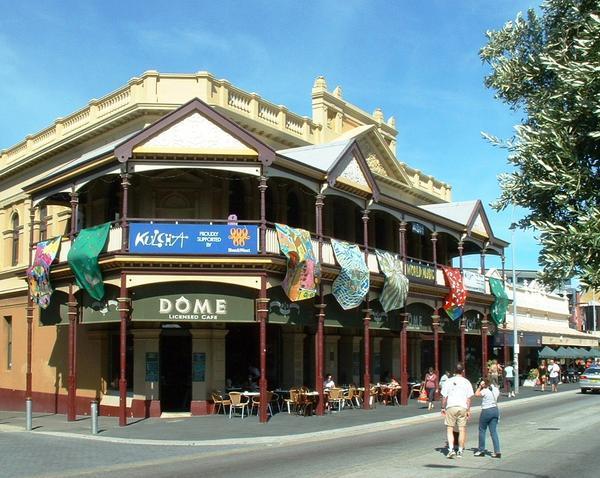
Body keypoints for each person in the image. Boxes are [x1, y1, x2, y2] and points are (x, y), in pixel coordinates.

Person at [441, 363, 474, 459]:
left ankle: (451, 450)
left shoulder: (448, 381)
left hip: (451, 406)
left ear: (454, 371)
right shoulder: (466, 382)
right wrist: (468, 410)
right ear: (463, 371)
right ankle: (460, 450)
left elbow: (444, 397)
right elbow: (469, 398)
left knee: (450, 428)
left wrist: (443, 407)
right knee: (462, 429)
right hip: (462, 406)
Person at [474, 378, 501, 458]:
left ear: (485, 384)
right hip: (495, 410)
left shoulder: (485, 390)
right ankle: (497, 451)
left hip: (486, 410)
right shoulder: (496, 390)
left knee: (482, 430)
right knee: (494, 432)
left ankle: (481, 450)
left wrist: (480, 387)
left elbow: (476, 394)